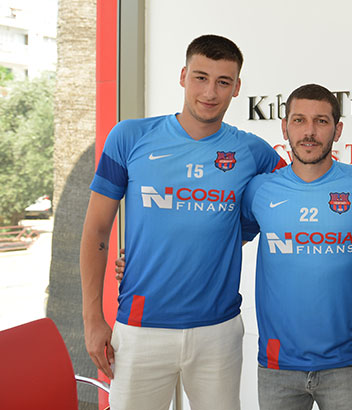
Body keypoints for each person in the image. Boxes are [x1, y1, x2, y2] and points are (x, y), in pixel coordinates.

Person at [80, 34, 285, 410]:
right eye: (200, 77)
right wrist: (92, 317)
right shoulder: (130, 136)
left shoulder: (253, 151)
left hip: (218, 330)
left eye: (223, 82)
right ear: (182, 76)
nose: (210, 92)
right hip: (141, 327)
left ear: (237, 87)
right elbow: (96, 230)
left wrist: (230, 237)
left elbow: (293, 195)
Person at [240, 84, 352, 410]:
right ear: (284, 127)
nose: (309, 132)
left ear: (338, 130)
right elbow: (219, 244)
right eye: (299, 120)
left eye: (321, 121)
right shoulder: (259, 190)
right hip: (278, 366)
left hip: (346, 364)